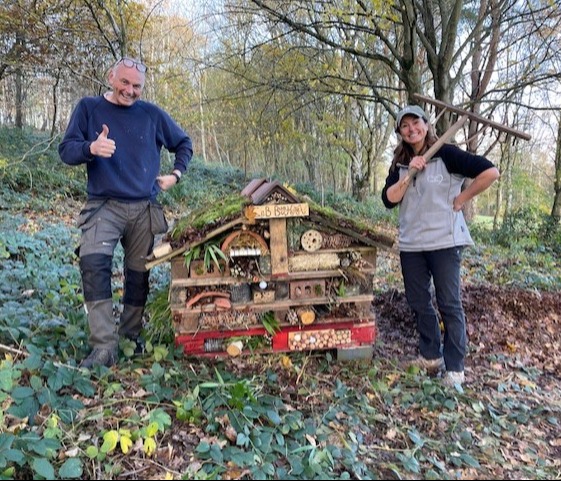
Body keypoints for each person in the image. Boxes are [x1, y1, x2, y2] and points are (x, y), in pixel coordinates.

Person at [59, 57, 193, 368]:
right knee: (93, 264)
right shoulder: (89, 108)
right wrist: (91, 148)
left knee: (138, 275)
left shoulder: (151, 114)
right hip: (103, 206)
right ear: (111, 77)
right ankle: (104, 347)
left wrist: (176, 174)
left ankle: (131, 334)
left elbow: (183, 143)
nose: (130, 91)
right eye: (124, 83)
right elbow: (66, 150)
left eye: (136, 86)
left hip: (144, 207)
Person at [381, 104, 500, 387]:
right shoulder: (399, 163)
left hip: (444, 242)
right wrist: (409, 172)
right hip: (412, 245)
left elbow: (490, 172)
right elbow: (388, 200)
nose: (412, 129)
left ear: (426, 124)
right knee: (419, 301)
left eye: (416, 123)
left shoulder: (446, 154)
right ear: (400, 132)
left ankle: (455, 368)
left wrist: (463, 198)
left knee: (449, 303)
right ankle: (431, 356)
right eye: (405, 126)